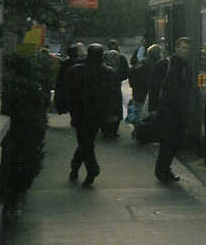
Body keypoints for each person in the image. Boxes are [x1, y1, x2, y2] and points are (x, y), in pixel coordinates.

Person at [66, 43, 117, 187]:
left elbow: (70, 94)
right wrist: (112, 113)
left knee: (84, 142)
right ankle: (82, 168)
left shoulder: (75, 71)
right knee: (86, 142)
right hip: (97, 114)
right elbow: (114, 96)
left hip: (81, 113)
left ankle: (86, 168)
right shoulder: (109, 72)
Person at [148, 37, 195, 183]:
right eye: (183, 48)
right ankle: (162, 171)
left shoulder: (187, 67)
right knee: (168, 141)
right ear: (176, 48)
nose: (185, 51)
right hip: (166, 109)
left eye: (187, 48)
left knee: (177, 141)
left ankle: (164, 169)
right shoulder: (164, 64)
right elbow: (154, 86)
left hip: (180, 109)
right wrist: (153, 107)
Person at [128, 43, 163, 108]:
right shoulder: (157, 66)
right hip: (149, 96)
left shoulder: (140, 63)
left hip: (138, 96)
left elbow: (132, 75)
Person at [53, 44, 82, 115]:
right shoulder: (81, 63)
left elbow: (60, 77)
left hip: (66, 87)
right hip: (77, 88)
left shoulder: (65, 63)